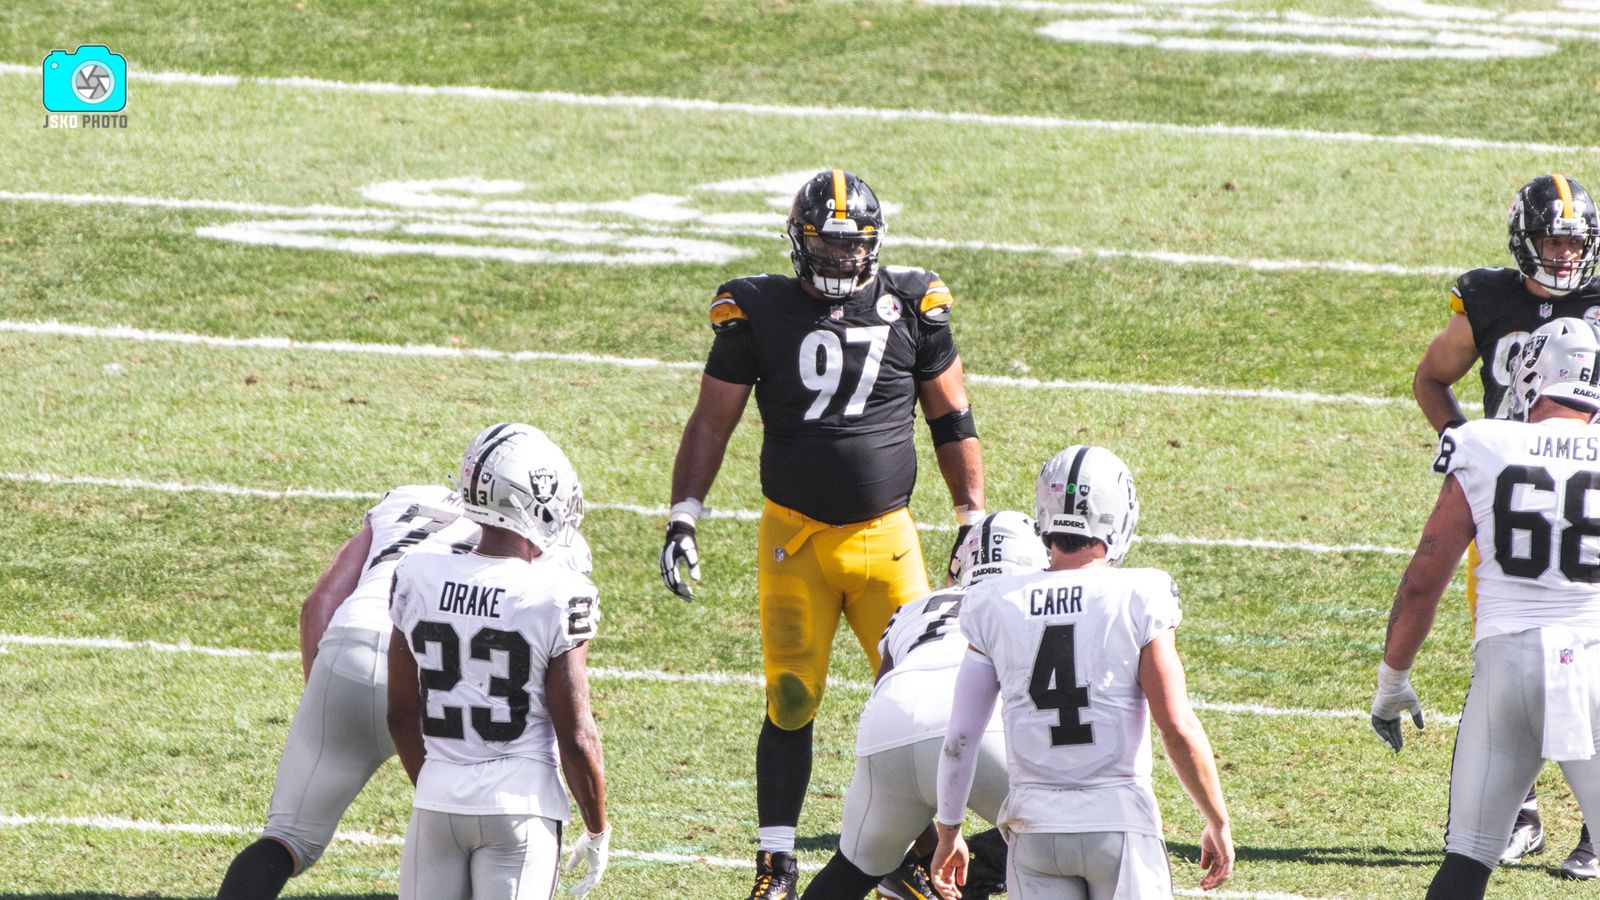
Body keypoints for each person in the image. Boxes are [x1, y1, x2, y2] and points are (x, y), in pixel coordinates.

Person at [658, 168, 985, 899]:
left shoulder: (912, 302)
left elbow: (951, 417)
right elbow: (714, 420)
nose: (841, 260)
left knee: (917, 698)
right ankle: (775, 860)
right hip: (793, 537)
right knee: (792, 697)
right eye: (827, 246)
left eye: (852, 247)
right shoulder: (756, 308)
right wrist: (686, 512)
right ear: (799, 243)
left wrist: (971, 517)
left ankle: (910, 857)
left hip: (886, 537)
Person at [214, 423, 592, 900]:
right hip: (449, 681)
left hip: (349, 651)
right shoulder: (552, 547)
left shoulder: (409, 501)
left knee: (285, 841)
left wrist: (328, 698)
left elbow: (320, 602)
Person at [931, 446, 1234, 898]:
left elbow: (959, 738)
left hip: (1034, 828)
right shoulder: (1139, 594)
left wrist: (949, 829)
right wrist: (1216, 820)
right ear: (1119, 513)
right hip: (1118, 822)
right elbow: (1176, 725)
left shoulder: (993, 601)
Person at [1411, 172, 1600, 877]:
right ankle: (1515, 809)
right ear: (1523, 240)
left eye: (1574, 243)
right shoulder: (1488, 300)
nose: (1563, 257)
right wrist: (1465, 450)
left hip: (1586, 498)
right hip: (1510, 500)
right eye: (1552, 241)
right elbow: (1430, 379)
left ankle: (1588, 823)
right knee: (1504, 648)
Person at [1372, 318, 1600, 898]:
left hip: (1504, 670)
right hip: (1593, 665)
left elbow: (1424, 580)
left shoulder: (1484, 442)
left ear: (1532, 375)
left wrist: (1392, 678)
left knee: (1467, 859)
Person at [387, 423, 609, 900]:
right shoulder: (557, 591)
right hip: (520, 807)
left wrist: (440, 789)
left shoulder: (417, 572)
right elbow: (576, 735)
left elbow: (401, 714)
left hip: (437, 802)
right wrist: (596, 828)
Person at [800, 511, 1046, 900]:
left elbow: (890, 704)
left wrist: (924, 838)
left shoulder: (916, 607)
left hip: (890, 726)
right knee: (1066, 842)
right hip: (983, 730)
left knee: (851, 871)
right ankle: (977, 877)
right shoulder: (1034, 601)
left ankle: (924, 878)